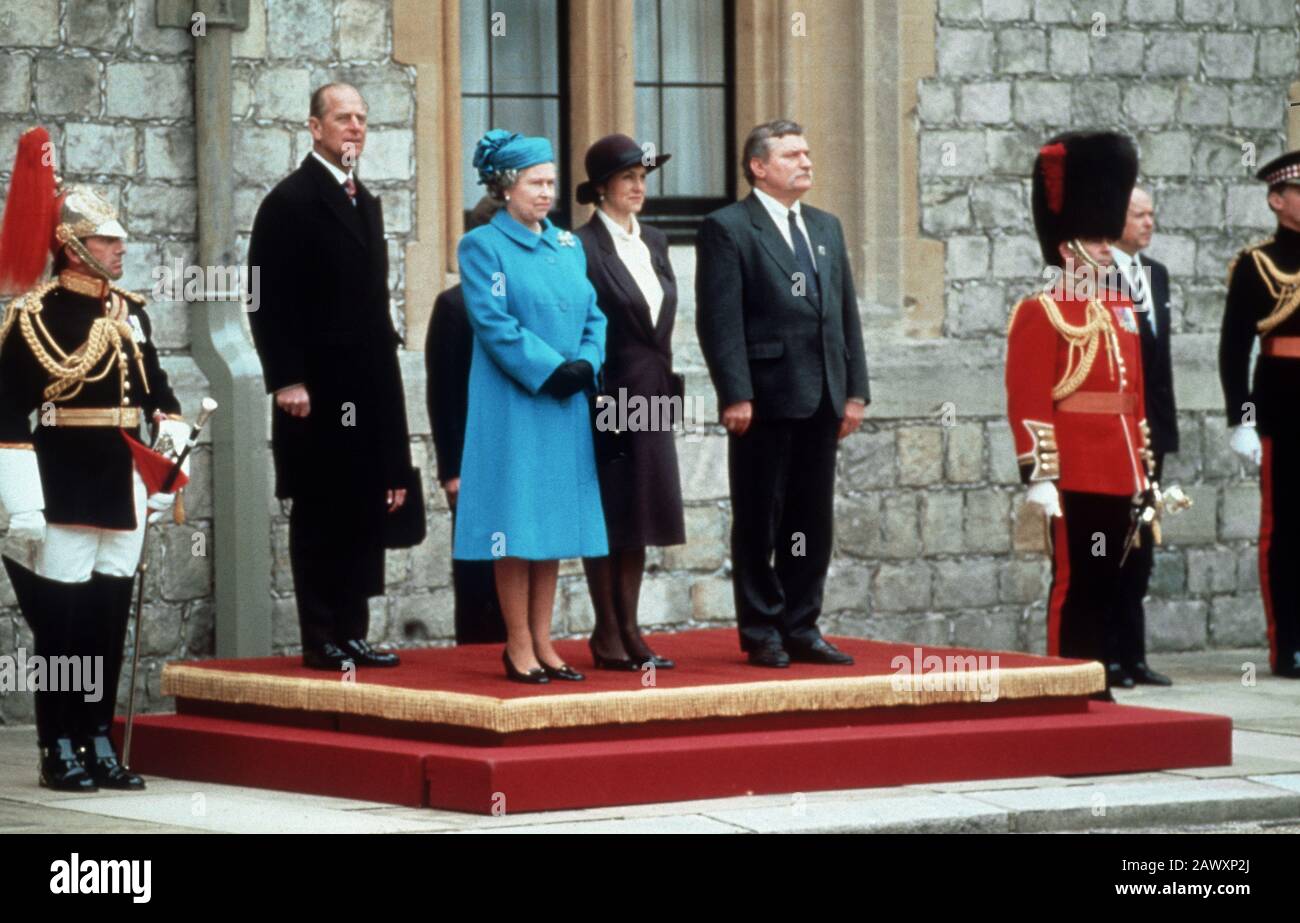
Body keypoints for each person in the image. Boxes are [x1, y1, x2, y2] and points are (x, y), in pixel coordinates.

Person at [0, 127, 189, 790]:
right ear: (73, 245)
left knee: (109, 614)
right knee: (64, 624)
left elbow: (161, 399)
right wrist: (22, 501)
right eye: (109, 240)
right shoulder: (34, 317)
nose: (121, 250)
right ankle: (58, 742)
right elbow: (5, 412)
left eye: (121, 240)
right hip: (62, 481)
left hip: (122, 482)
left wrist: (165, 470)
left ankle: (98, 736)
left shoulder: (132, 314)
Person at [247, 83, 412, 671]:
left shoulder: (365, 202)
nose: (356, 128)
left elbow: (374, 311)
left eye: (363, 119)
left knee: (364, 507)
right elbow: (263, 298)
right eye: (343, 118)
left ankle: (353, 630)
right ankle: (321, 635)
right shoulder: (289, 202)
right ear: (315, 127)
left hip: (366, 384)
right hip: (313, 390)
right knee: (320, 510)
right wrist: (286, 378)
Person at [695, 119, 870, 668]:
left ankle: (802, 624)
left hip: (823, 394)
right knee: (759, 517)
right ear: (758, 166)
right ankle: (761, 628)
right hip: (764, 399)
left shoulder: (825, 226)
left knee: (812, 519)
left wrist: (855, 391)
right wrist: (735, 393)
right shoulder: (729, 228)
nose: (806, 162)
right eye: (793, 154)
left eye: (808, 152)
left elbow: (845, 315)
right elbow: (719, 320)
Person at [454, 129, 608, 684]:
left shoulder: (566, 246)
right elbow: (494, 323)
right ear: (505, 187)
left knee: (553, 523)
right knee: (515, 524)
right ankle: (517, 643)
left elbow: (595, 314)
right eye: (534, 183)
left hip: (566, 402)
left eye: (550, 183)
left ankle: (545, 641)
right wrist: (549, 368)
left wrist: (587, 362)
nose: (546, 193)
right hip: (516, 403)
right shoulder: (482, 247)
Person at [1006, 131, 1154, 700]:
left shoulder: (1120, 307)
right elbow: (1027, 398)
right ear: (1067, 248)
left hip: (1119, 469)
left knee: (1112, 579)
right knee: (1076, 581)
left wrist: (1144, 469)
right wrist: (1040, 476)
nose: (1105, 250)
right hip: (1074, 471)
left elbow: (1133, 396)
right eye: (1096, 241)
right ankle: (1069, 681)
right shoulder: (1041, 308)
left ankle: (1099, 678)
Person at [573, 134, 686, 671]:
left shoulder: (656, 242)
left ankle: (631, 627)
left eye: (643, 177)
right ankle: (607, 630)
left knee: (643, 511)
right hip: (608, 390)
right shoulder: (581, 246)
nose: (639, 187)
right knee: (610, 511)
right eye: (627, 179)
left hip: (653, 390)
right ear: (601, 189)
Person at [1219, 146, 1300, 679]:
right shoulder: (1258, 264)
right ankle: (1288, 644)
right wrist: (1242, 417)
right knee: (1286, 532)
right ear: (1277, 200)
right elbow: (1234, 349)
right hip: (1284, 408)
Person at [425, 196, 506, 645]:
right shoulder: (454, 307)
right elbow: (443, 392)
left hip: (519, 449)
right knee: (477, 564)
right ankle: (477, 651)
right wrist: (451, 469)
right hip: (475, 458)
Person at [1107, 187, 1177, 688]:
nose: (1148, 222)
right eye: (1138, 214)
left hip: (1151, 430)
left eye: (1151, 214)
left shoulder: (1155, 275)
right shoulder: (1091, 275)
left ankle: (1133, 653)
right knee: (1110, 544)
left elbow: (1160, 364)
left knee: (1142, 545)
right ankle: (1106, 652)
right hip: (1114, 431)